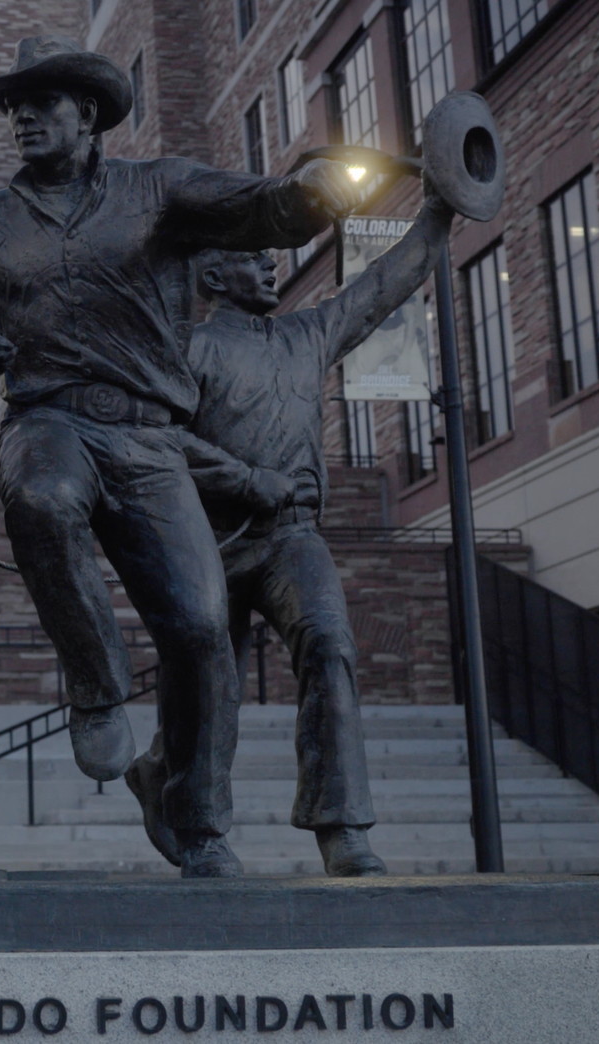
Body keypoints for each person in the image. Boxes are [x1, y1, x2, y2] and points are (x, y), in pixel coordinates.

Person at [0, 36, 363, 877]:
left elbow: (265, 207)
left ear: (87, 114)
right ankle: (94, 686)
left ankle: (190, 814)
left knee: (198, 628)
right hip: (48, 421)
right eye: (14, 106)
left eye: (40, 103)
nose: (22, 118)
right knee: (41, 497)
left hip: (151, 441)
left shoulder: (159, 189)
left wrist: (317, 192)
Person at [123, 191, 459, 878]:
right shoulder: (187, 350)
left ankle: (341, 827)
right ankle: (197, 822)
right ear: (214, 277)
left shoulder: (307, 337)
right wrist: (249, 479)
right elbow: (154, 440)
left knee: (331, 644)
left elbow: (379, 288)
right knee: (210, 681)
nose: (274, 268)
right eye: (254, 259)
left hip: (292, 538)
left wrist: (438, 216)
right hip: (206, 540)